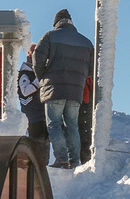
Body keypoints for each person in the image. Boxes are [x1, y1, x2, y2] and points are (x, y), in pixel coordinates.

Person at [35, 10, 93, 168]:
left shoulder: (50, 36)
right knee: (72, 125)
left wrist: (43, 77)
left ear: (56, 23)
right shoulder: (86, 42)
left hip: (54, 88)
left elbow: (37, 58)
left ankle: (62, 159)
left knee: (54, 124)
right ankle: (74, 161)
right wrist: (79, 77)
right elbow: (92, 68)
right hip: (76, 91)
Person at [17, 44, 48, 160]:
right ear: (28, 55)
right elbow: (25, 91)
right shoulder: (24, 74)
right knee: (37, 143)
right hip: (33, 116)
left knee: (45, 143)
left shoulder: (37, 73)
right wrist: (39, 80)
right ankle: (37, 167)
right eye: (33, 54)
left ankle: (43, 169)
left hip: (43, 115)